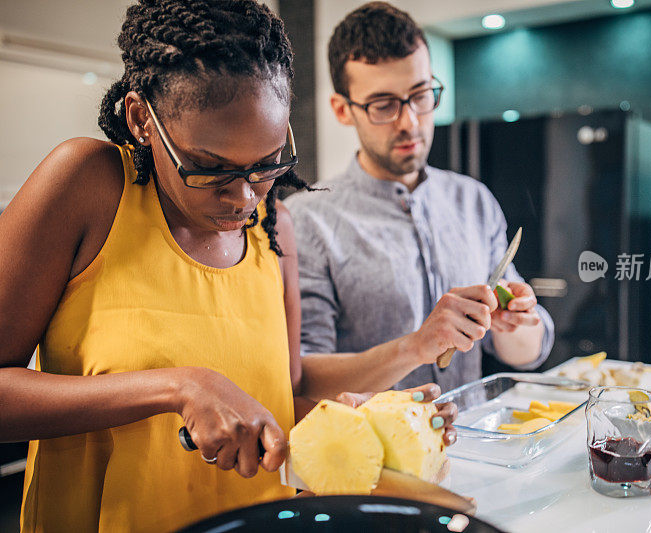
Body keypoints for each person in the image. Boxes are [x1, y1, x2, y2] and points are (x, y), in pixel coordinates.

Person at [0, 2, 455, 531]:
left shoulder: (274, 228)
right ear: (141, 119)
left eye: (266, 164)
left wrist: (363, 424)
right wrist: (177, 387)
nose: (242, 197)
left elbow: (281, 399)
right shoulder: (88, 184)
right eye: (209, 168)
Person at [285, 2, 555, 393]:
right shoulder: (308, 221)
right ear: (343, 110)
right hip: (375, 452)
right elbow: (305, 380)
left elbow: (529, 351)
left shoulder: (473, 200)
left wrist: (517, 321)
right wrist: (414, 348)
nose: (409, 121)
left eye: (421, 95)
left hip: (475, 446)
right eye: (383, 105)